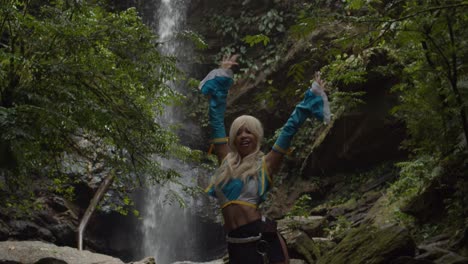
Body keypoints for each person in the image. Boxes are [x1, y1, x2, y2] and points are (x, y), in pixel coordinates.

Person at [199, 54, 330, 264]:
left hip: (261, 241)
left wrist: (312, 93)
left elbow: (289, 130)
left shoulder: (266, 164)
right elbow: (215, 117)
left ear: (257, 137)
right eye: (239, 132)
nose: (244, 136)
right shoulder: (225, 161)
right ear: (233, 138)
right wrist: (223, 76)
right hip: (234, 245)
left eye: (249, 132)